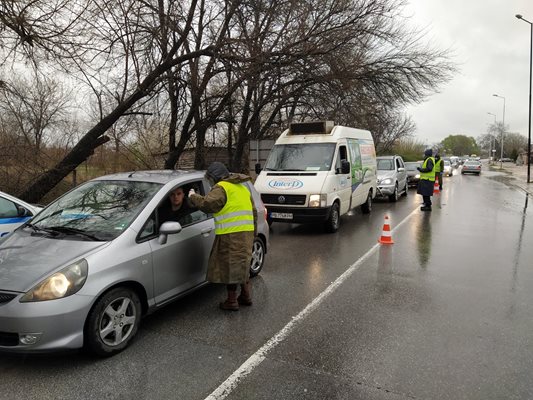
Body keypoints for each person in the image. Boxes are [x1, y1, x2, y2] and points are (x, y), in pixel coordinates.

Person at [188, 162, 257, 311]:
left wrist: (193, 196)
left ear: (215, 177)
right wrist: (254, 233)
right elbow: (254, 211)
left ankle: (232, 301)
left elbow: (207, 204)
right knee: (242, 264)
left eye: (210, 179)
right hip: (247, 233)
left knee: (230, 266)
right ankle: (246, 296)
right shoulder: (241, 187)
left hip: (230, 235)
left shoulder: (222, 187)